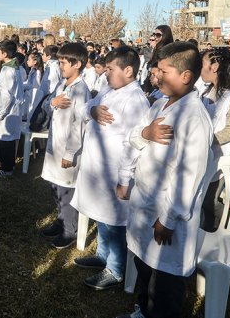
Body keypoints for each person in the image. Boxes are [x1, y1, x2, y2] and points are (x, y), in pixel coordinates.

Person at [120, 42, 213, 318]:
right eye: (156, 70)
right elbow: (134, 136)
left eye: (164, 71)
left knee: (166, 284)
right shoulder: (160, 104)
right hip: (145, 204)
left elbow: (189, 174)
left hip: (166, 216)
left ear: (185, 76)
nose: (156, 76)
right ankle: (142, 310)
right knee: (145, 269)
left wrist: (169, 219)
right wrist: (146, 133)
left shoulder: (194, 118)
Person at [72, 47, 149, 290]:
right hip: (97, 167)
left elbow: (134, 144)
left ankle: (115, 269)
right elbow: (84, 108)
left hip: (117, 171)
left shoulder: (135, 100)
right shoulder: (108, 89)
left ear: (128, 70)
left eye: (111, 69)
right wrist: (92, 111)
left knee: (116, 221)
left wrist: (125, 179)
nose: (105, 74)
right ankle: (103, 255)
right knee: (102, 216)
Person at [40, 42, 91, 248]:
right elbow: (46, 104)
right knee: (55, 186)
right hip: (55, 144)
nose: (60, 66)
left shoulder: (81, 90)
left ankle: (70, 230)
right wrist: (52, 103)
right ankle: (60, 221)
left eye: (63, 63)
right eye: (59, 62)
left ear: (77, 64)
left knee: (66, 190)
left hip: (68, 150)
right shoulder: (62, 85)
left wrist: (70, 153)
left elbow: (79, 125)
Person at [198, 49, 230, 232]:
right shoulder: (206, 92)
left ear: (214, 67)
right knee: (203, 202)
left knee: (211, 202)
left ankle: (224, 234)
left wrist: (206, 140)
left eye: (202, 64)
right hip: (205, 157)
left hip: (221, 160)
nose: (199, 69)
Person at [0, 40, 24, 177]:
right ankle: (6, 165)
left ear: (3, 53)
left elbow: (6, 95)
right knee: (7, 140)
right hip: (12, 111)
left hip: (7, 112)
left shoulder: (8, 70)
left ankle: (6, 169)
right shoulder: (12, 67)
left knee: (5, 140)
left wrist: (0, 113)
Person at [22, 51, 44, 121]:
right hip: (29, 95)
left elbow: (35, 86)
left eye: (29, 60)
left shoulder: (37, 72)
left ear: (35, 62)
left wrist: (24, 86)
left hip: (33, 97)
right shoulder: (32, 70)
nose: (27, 61)